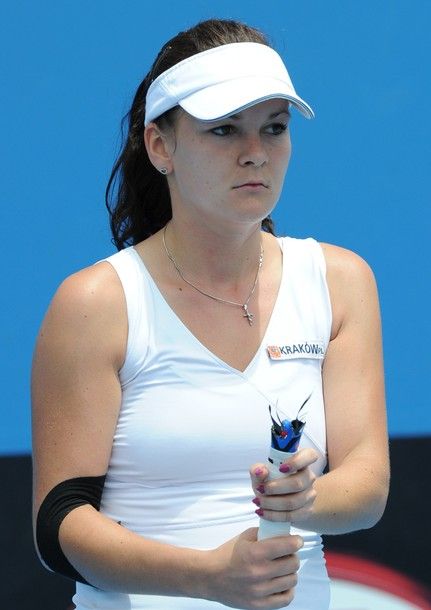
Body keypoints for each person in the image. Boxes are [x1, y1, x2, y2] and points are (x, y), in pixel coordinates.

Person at [32, 18, 389, 610]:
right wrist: (208, 577)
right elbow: (59, 524)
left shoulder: (340, 281)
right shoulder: (96, 302)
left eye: (274, 129)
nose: (256, 154)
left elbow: (368, 485)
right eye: (224, 131)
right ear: (160, 146)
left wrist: (300, 498)